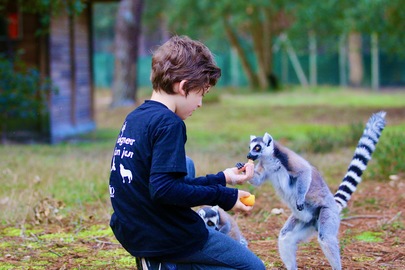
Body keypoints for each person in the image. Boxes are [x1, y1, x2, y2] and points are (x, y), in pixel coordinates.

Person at [108, 35, 265, 270]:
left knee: (184, 164)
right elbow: (164, 190)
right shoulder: (169, 124)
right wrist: (225, 197)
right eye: (201, 94)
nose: (200, 103)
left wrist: (224, 178)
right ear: (183, 87)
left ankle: (160, 261)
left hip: (132, 230)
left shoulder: (136, 117)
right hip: (164, 236)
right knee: (253, 268)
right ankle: (169, 264)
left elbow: (164, 182)